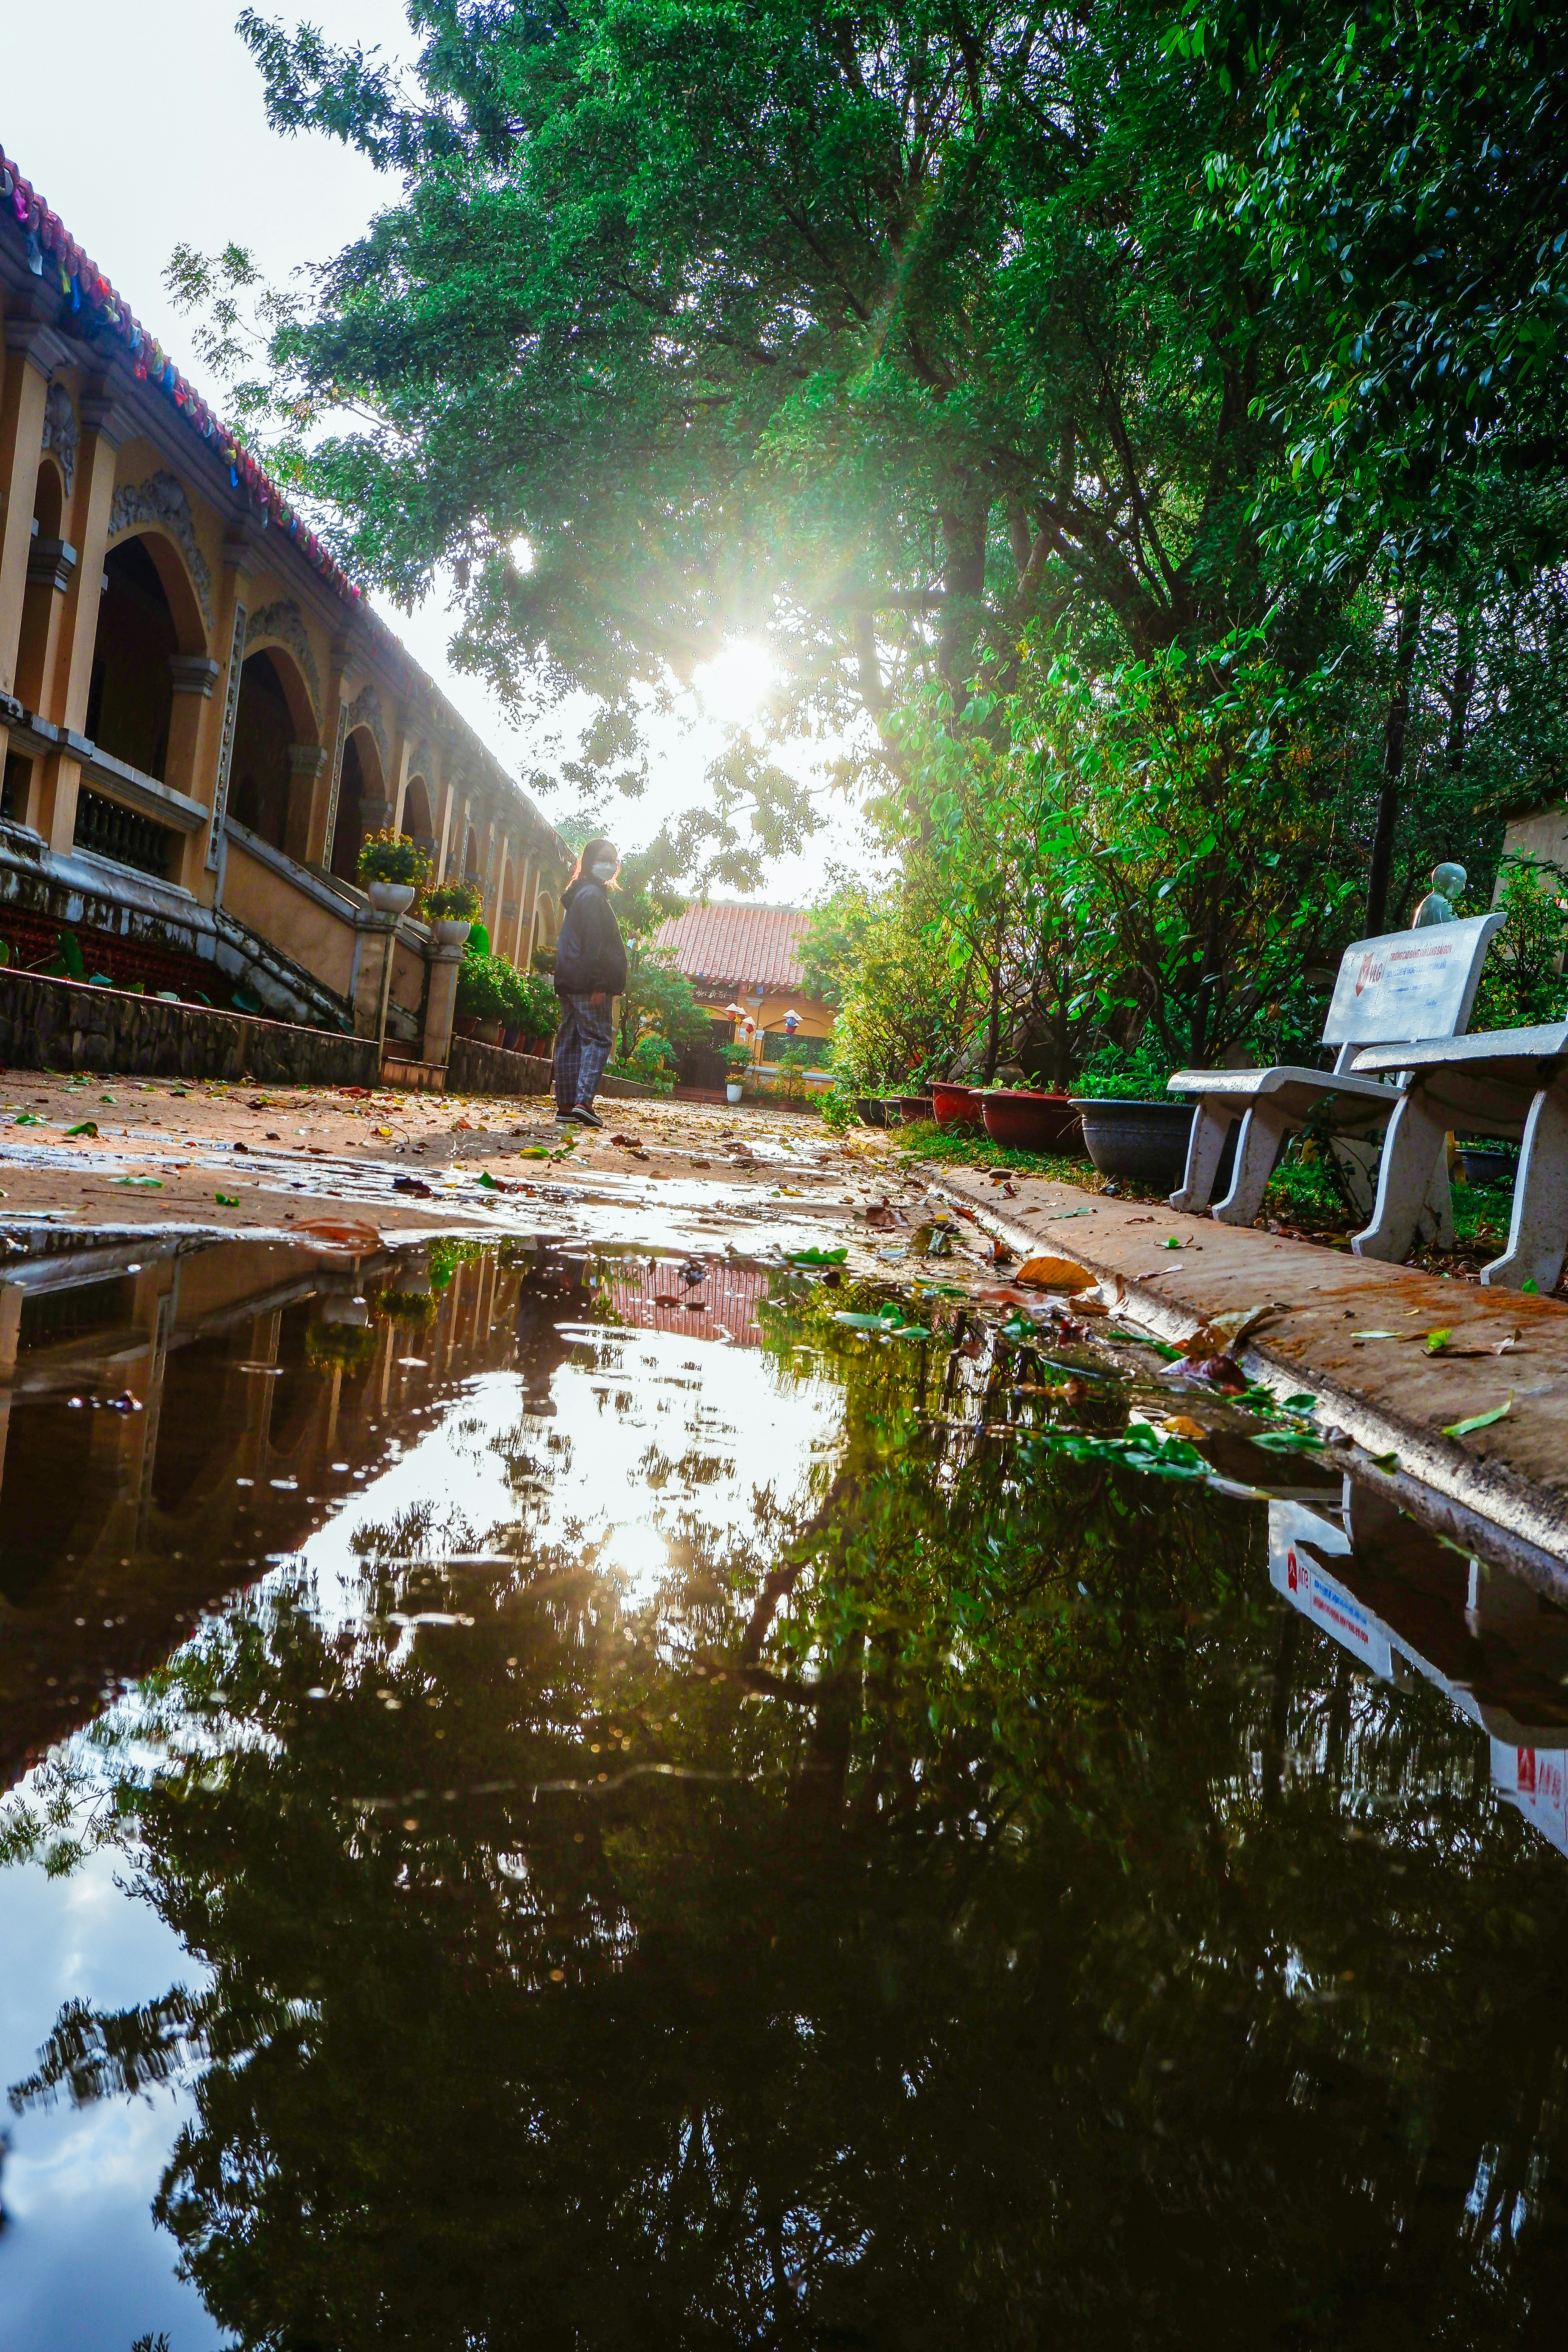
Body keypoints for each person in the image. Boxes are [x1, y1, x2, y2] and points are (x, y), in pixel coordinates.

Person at [551, 836, 627, 1127]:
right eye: (604, 858)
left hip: (569, 979)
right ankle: (584, 1101)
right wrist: (600, 983)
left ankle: (566, 1104)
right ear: (591, 861)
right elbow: (596, 944)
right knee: (598, 1038)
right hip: (588, 981)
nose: (610, 864)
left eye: (614, 859)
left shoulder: (579, 894)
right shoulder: (594, 897)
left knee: (570, 1039)